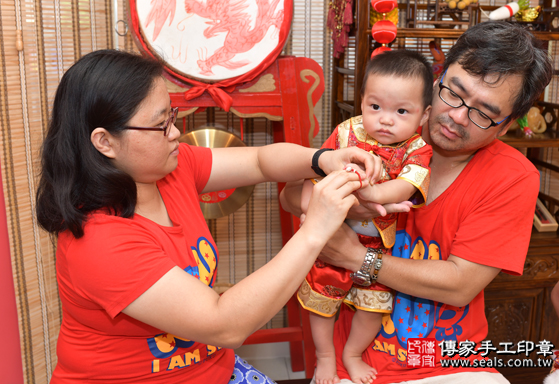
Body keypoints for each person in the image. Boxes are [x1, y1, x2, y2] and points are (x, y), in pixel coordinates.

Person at [35, 49, 384, 384]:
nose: (174, 132)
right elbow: (225, 324)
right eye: (160, 125)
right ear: (105, 142)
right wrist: (314, 232)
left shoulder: (170, 168)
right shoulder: (99, 240)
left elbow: (259, 162)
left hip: (214, 369)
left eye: (171, 116)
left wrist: (321, 159)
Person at [281, 21, 553, 383]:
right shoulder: (380, 128)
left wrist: (353, 257)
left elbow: (460, 285)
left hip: (449, 365)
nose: (456, 116)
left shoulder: (513, 177)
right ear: (437, 80)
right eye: (453, 93)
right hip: (354, 363)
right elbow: (288, 197)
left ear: (506, 126)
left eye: (483, 113)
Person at [297, 50, 433, 384]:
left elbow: (403, 187)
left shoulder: (417, 149)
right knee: (321, 302)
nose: (386, 119)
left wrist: (367, 194)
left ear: (424, 115)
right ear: (362, 102)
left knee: (375, 306)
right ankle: (326, 357)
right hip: (332, 234)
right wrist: (309, 209)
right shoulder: (346, 134)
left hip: (375, 244)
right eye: (376, 107)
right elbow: (314, 175)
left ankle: (352, 353)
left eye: (401, 111)